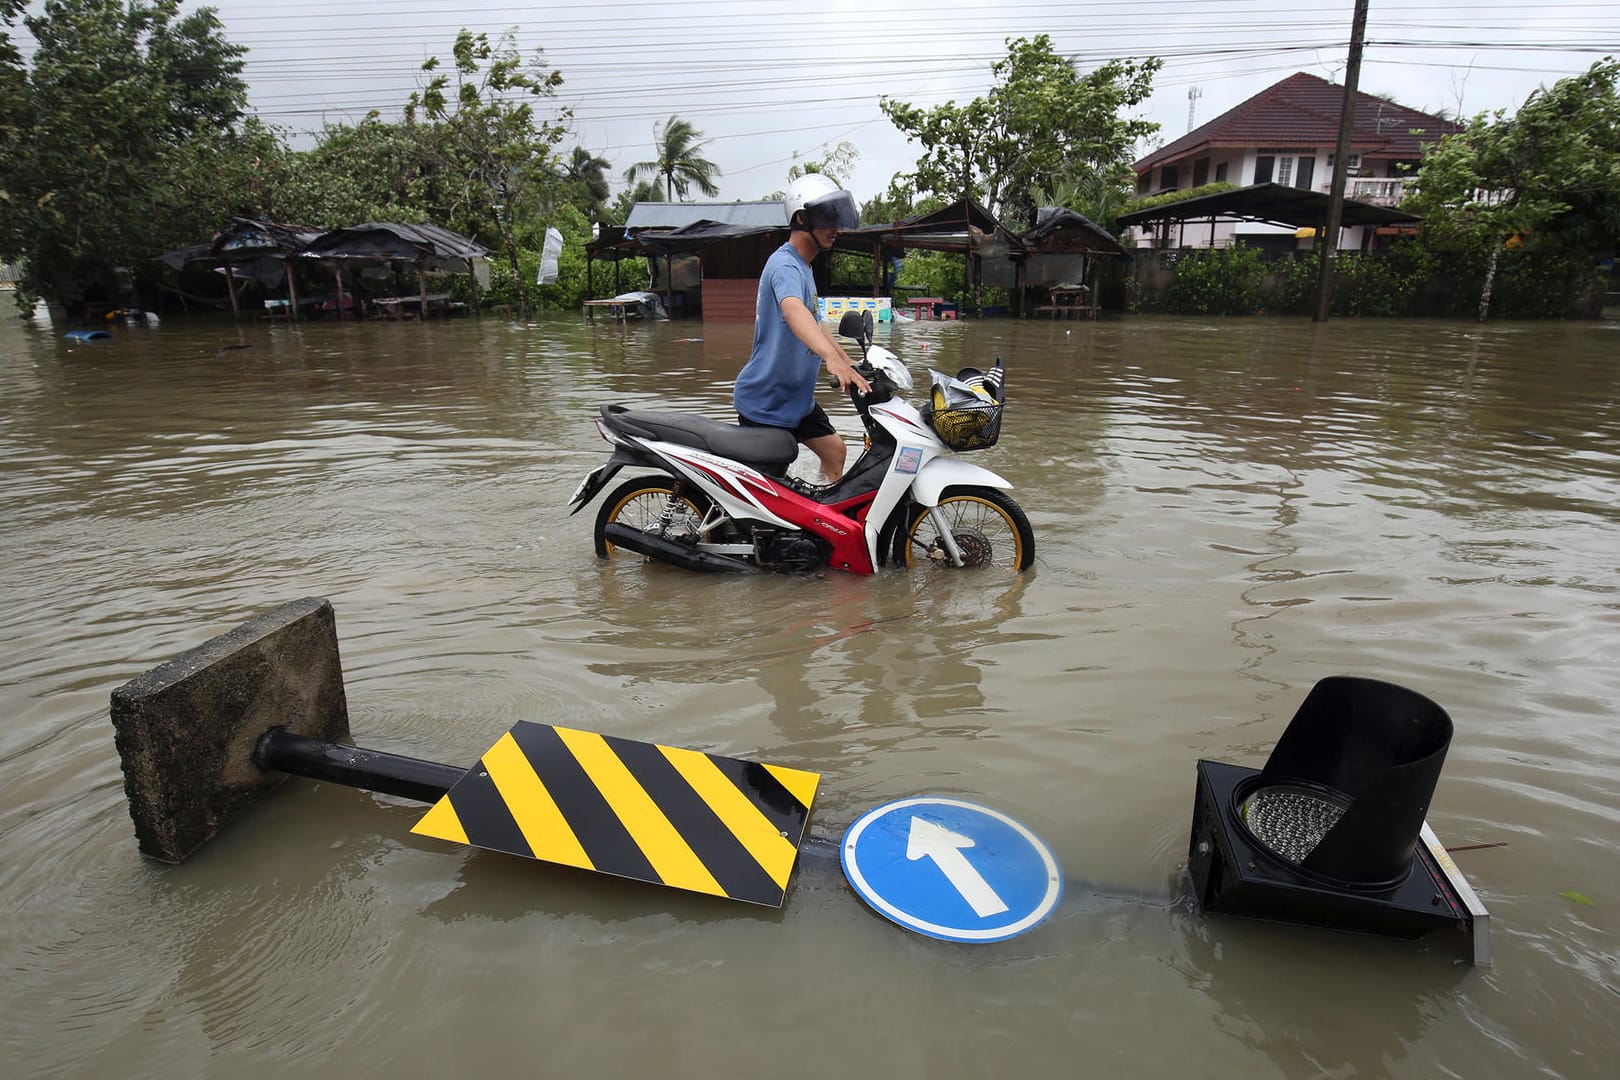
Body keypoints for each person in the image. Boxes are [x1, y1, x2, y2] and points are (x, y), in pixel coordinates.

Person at [733, 174, 872, 485]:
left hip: (796, 400)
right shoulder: (784, 265)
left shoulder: (804, 267)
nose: (835, 228)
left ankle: (818, 528)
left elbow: (816, 323)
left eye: (837, 219)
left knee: (835, 452)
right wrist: (828, 358)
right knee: (769, 495)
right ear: (801, 218)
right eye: (827, 219)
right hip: (767, 402)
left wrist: (848, 362)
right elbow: (793, 310)